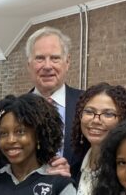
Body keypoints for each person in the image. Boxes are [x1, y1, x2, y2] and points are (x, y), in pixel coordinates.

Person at [25, 27, 83, 169]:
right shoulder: (15, 109)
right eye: (40, 58)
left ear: (67, 62)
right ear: (29, 64)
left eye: (55, 58)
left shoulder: (86, 104)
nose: (47, 66)